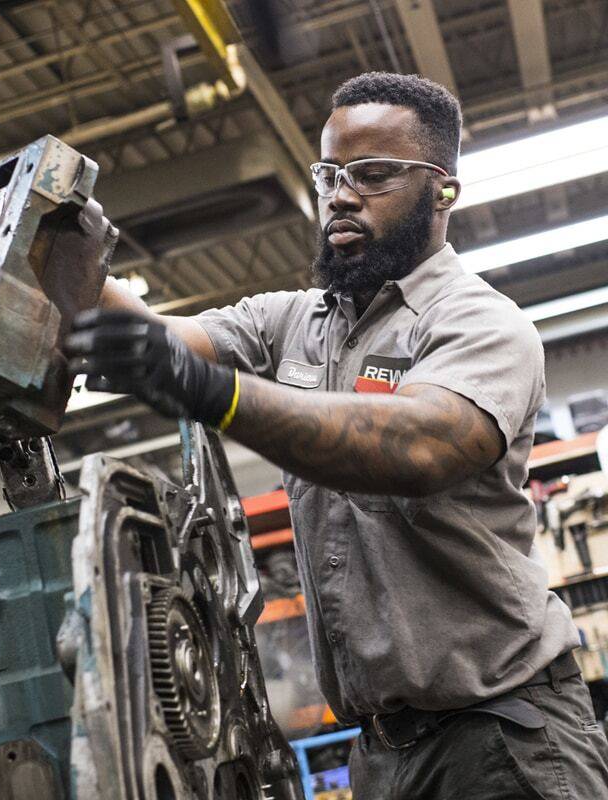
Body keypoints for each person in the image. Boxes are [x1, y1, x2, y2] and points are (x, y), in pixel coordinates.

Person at [65, 72, 608, 798]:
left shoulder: (480, 322)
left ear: (443, 190)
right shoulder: (296, 320)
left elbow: (419, 445)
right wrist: (58, 242)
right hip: (382, 756)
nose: (341, 195)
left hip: (504, 736)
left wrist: (216, 395)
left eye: (374, 175)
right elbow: (159, 340)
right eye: (329, 175)